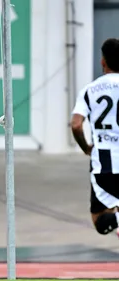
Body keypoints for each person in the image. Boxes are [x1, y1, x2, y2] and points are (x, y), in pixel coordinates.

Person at [71, 37, 119, 237]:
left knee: (100, 220)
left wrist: (85, 148)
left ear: (103, 61)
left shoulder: (90, 90)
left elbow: (76, 124)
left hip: (104, 162)